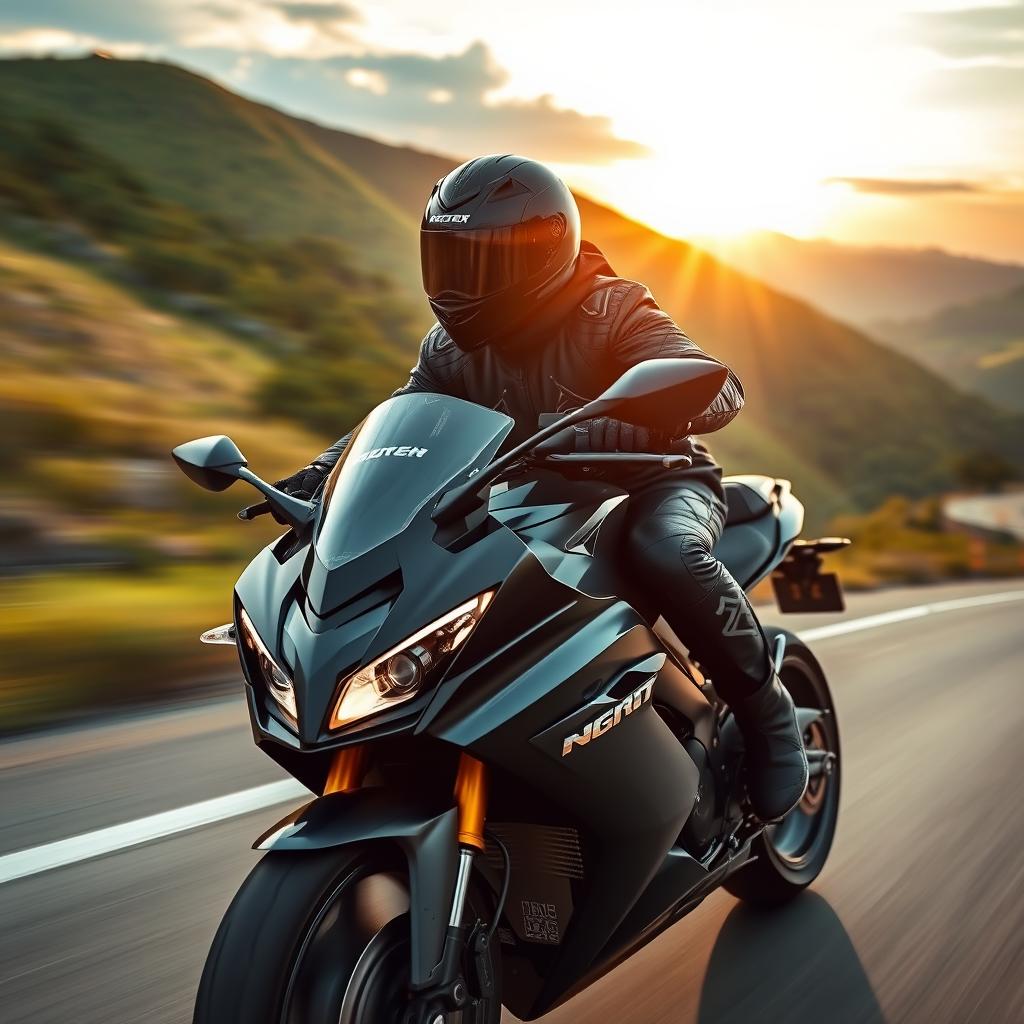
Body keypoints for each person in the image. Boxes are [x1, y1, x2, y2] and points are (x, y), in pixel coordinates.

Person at [276, 155, 808, 822]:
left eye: (484, 265)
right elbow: (402, 416)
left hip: (653, 484)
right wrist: (324, 473)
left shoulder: (612, 308)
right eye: (450, 261)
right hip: (531, 503)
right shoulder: (447, 349)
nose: (461, 285)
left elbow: (716, 385)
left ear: (544, 255)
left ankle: (769, 716)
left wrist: (635, 418)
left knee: (667, 551)